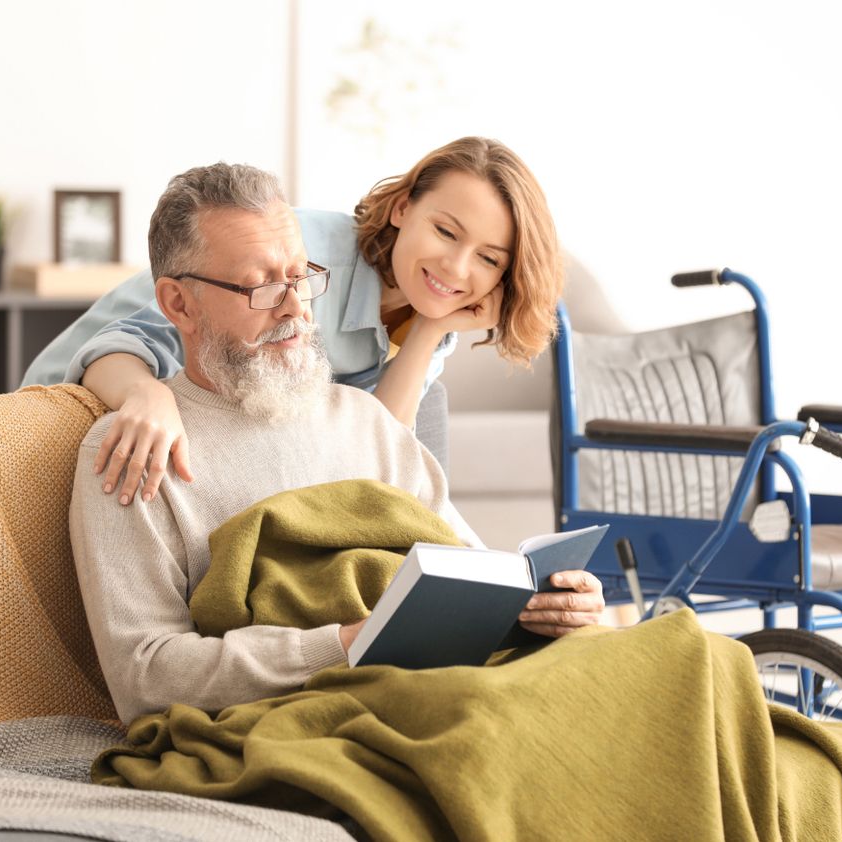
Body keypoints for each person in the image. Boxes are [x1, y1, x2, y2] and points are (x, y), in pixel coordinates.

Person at [68, 162, 602, 725]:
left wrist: (548, 603)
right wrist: (346, 644)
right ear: (178, 305)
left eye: (301, 278)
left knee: (678, 656)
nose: (296, 309)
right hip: (345, 715)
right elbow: (145, 676)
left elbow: (473, 574)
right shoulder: (131, 452)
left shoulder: (367, 420)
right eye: (264, 287)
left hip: (445, 685)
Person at [29, 136, 561, 508]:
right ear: (402, 208)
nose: (457, 267)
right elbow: (126, 340)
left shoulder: (429, 308)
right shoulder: (295, 260)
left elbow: (376, 453)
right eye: (446, 231)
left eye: (489, 259)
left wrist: (428, 330)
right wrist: (147, 395)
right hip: (76, 400)